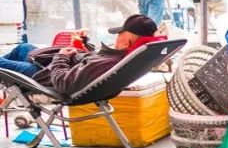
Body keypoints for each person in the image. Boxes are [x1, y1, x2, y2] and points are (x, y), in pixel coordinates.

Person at [0, 14, 159, 97]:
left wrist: (61, 57)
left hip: (45, 76)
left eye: (119, 34)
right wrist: (85, 46)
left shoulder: (107, 63)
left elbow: (64, 84)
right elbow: (92, 66)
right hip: (57, 68)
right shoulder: (126, 59)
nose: (116, 37)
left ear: (126, 43)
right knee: (24, 48)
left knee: (3, 65)